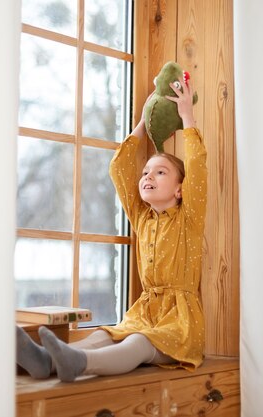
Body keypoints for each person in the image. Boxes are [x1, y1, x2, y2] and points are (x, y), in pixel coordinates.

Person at [16, 74, 207, 382]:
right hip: (145, 312)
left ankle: (77, 363)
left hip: (179, 323)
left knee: (138, 343)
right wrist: (144, 122)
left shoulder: (189, 218)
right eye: (146, 172)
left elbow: (197, 167)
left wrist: (187, 117)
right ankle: (45, 361)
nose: (148, 176)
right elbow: (119, 168)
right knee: (106, 334)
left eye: (160, 172)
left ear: (180, 189)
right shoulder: (142, 217)